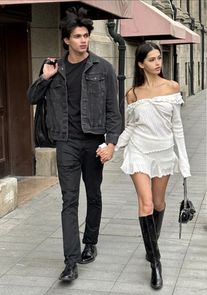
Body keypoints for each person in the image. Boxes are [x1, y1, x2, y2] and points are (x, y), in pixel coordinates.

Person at [27, 7, 121, 282]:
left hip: (93, 143)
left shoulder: (102, 68)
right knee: (70, 201)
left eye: (86, 35)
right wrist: (44, 77)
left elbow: (113, 112)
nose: (83, 40)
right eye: (77, 36)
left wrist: (112, 145)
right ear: (67, 40)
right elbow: (32, 97)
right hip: (65, 142)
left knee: (93, 195)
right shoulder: (54, 68)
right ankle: (70, 262)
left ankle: (90, 242)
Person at [115, 42, 191, 290]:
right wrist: (114, 147)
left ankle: (151, 244)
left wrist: (185, 166)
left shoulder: (172, 87)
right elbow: (130, 127)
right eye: (152, 59)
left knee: (158, 204)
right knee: (146, 203)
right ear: (140, 64)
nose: (158, 63)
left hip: (164, 152)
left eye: (159, 58)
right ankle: (155, 262)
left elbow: (177, 128)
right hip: (138, 151)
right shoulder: (132, 94)